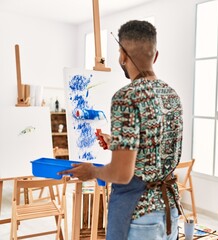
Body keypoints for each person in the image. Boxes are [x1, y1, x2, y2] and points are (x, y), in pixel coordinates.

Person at [59, 20, 183, 240]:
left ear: (123, 56)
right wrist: (118, 143)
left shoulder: (126, 97)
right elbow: (154, 148)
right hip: (170, 212)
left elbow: (121, 174)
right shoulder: (172, 95)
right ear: (155, 56)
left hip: (139, 216)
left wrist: (93, 172)